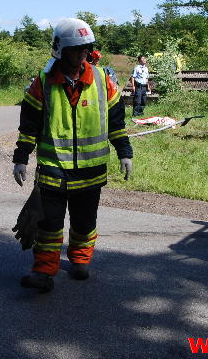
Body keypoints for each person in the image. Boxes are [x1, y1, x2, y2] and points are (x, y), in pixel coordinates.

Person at [12, 18, 133, 292]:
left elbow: (116, 123)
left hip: (91, 173)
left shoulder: (103, 80)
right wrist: (21, 157)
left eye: (85, 49)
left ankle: (80, 260)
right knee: (49, 225)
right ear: (60, 50)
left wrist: (124, 153)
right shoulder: (43, 82)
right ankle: (43, 273)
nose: (81, 55)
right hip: (54, 170)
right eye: (75, 49)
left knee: (84, 223)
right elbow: (29, 126)